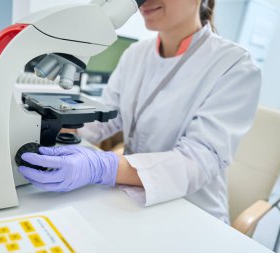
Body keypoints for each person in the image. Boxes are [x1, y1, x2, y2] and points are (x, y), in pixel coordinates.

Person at [18, 0, 261, 223]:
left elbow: (198, 160)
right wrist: (42, 125)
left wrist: (103, 166)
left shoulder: (235, 65)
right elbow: (106, 119)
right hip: (131, 198)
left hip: (194, 213)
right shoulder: (135, 53)